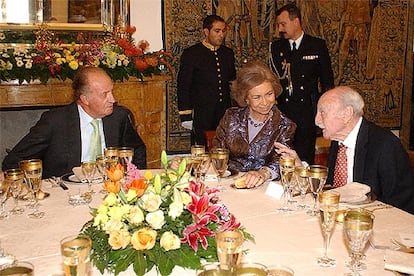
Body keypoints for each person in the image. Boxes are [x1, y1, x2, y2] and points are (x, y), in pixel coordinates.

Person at [275, 86, 414, 214]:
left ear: (347, 113)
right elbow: (332, 188)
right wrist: (301, 167)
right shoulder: (338, 141)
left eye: (322, 112)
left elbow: (401, 202)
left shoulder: (384, 144)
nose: (317, 120)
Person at [2, 67, 146, 179]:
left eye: (112, 92)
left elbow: (137, 150)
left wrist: (132, 177)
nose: (113, 99)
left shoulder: (118, 117)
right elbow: (15, 160)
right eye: (105, 94)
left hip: (110, 189)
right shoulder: (55, 122)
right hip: (67, 192)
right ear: (85, 99)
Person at [213, 61, 296, 189]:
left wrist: (262, 174)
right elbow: (218, 151)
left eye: (269, 94)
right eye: (257, 97)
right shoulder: (231, 117)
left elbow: (282, 159)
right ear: (246, 99)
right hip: (230, 182)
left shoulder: (285, 125)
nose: (265, 102)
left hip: (263, 186)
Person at [269, 3, 334, 164]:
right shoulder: (276, 47)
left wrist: (325, 111)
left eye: (283, 24)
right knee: (282, 156)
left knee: (305, 157)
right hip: (284, 111)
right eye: (278, 25)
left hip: (307, 112)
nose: (280, 29)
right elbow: (273, 79)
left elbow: (327, 81)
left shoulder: (317, 45)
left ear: (296, 22)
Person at [177, 14, 236, 146]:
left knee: (223, 148)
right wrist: (185, 115)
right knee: (201, 149)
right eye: (217, 31)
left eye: (223, 31)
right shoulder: (192, 54)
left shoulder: (228, 54)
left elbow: (232, 82)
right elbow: (183, 86)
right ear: (206, 32)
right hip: (202, 113)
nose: (221, 34)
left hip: (223, 113)